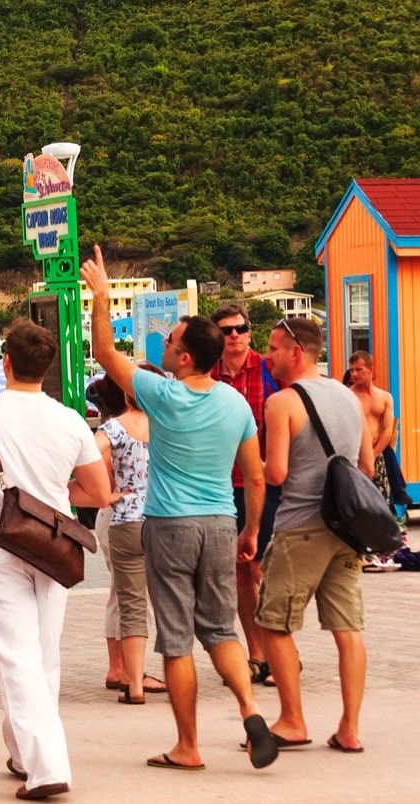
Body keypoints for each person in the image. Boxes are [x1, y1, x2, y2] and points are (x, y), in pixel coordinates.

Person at [82, 246, 279, 773]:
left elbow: (103, 353)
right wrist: (251, 529)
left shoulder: (162, 394)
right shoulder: (236, 403)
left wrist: (101, 297)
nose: (164, 345)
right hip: (221, 522)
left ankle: (188, 746)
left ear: (186, 357)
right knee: (220, 630)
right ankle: (252, 707)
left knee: (176, 639)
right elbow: (256, 476)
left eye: (170, 341)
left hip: (168, 525)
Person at [0, 321, 112, 800]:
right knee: (43, 656)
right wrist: (53, 495)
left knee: (17, 655)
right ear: (45, 367)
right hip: (53, 544)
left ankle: (46, 766)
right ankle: (21, 751)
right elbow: (96, 490)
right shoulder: (70, 419)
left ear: (6, 362)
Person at [257, 318, 375, 753]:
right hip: (345, 530)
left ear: (295, 351)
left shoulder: (283, 402)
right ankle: (349, 727)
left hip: (300, 527)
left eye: (272, 348)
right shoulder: (349, 397)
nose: (267, 357)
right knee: (347, 628)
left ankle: (291, 720)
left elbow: (277, 473)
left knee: (274, 623)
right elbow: (365, 464)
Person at [210, 304, 283, 684]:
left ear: (250, 333)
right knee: (239, 571)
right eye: (226, 331)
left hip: (268, 484)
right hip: (223, 485)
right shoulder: (209, 375)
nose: (235, 335)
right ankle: (257, 653)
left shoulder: (270, 370)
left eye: (240, 328)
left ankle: (280, 653)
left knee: (266, 569)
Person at [89, 370, 167, 705]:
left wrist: (107, 493)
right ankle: (172, 670)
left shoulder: (115, 427)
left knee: (129, 600)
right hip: (166, 517)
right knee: (168, 600)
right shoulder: (171, 425)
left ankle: (132, 682)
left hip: (126, 518)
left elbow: (88, 455)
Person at [345, 351, 405, 567]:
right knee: (358, 506)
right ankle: (358, 551)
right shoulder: (348, 395)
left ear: (371, 370)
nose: (355, 374)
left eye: (359, 369)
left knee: (380, 503)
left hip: (378, 455)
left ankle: (381, 549)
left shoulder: (384, 397)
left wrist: (375, 453)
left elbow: (388, 428)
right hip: (355, 456)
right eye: (352, 370)